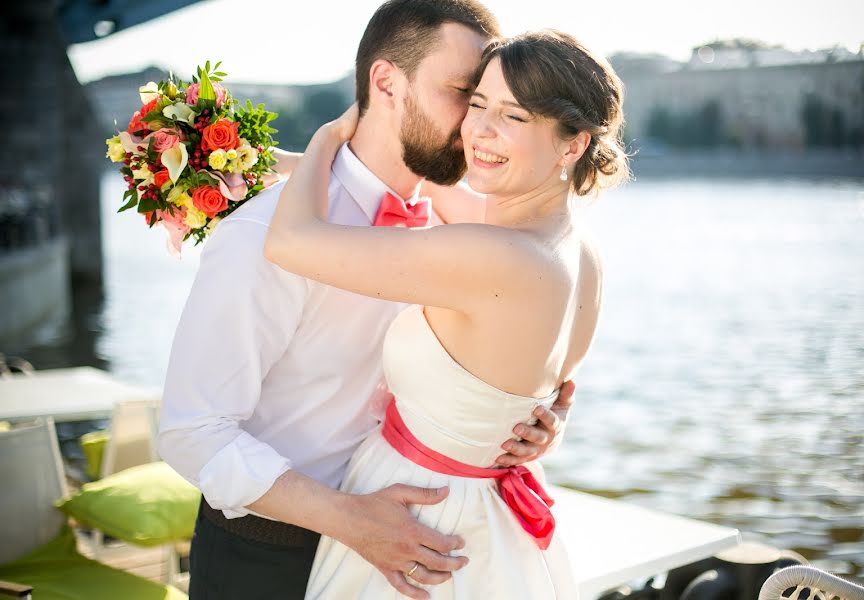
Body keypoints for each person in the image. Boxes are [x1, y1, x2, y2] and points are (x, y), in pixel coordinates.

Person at [156, 2, 575, 599]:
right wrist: (351, 520)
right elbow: (191, 431)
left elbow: (536, 322)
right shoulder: (263, 235)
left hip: (415, 546)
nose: (476, 125)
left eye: (486, 100)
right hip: (270, 555)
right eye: (462, 93)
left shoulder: (469, 227)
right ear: (386, 83)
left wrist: (529, 417)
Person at [265, 29, 629, 600]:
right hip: (486, 513)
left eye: (515, 117)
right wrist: (281, 165)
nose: (479, 130)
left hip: (419, 523)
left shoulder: (491, 255)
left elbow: (290, 242)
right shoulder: (578, 248)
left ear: (573, 144)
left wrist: (327, 138)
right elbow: (432, 189)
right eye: (477, 104)